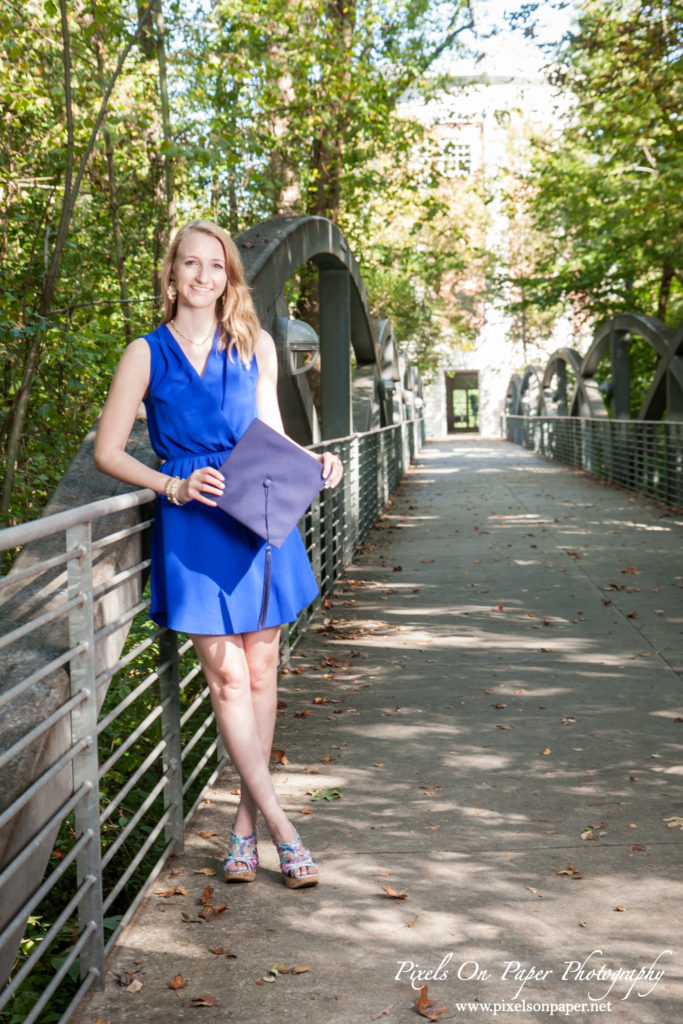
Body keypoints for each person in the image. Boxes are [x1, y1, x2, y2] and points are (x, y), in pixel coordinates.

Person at [95, 219, 343, 889]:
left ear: (228, 275)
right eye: (190, 263)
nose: (203, 275)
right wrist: (171, 483)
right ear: (171, 273)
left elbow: (272, 435)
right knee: (226, 677)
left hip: (258, 512)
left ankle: (242, 829)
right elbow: (108, 451)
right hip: (194, 522)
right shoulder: (143, 354)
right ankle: (283, 829)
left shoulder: (254, 343)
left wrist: (317, 463)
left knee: (261, 671)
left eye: (216, 265)